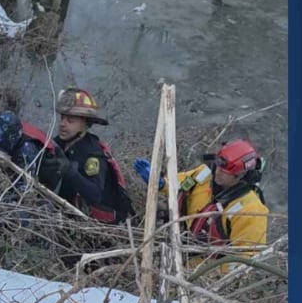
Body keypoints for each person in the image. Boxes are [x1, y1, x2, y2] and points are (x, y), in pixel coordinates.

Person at [133, 139, 269, 264]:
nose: (218, 172)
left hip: (207, 270)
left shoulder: (251, 210)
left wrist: (210, 275)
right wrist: (162, 183)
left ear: (240, 175)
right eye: (218, 167)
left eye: (225, 172)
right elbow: (178, 184)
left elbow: (246, 260)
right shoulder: (204, 175)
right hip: (179, 247)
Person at [51, 87, 134, 224]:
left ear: (85, 124)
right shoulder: (59, 143)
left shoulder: (93, 155)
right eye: (62, 118)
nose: (62, 124)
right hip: (65, 214)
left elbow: (95, 195)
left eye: (70, 120)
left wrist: (70, 172)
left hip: (98, 224)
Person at [0, 110, 67, 199]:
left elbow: (22, 191)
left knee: (38, 199)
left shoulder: (26, 150)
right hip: (16, 151)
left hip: (52, 168)